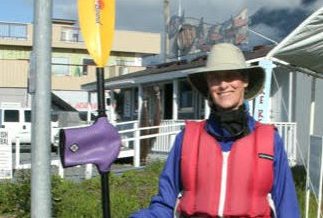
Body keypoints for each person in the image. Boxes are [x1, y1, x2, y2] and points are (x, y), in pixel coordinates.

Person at [130, 43, 300, 218]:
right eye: (215, 78)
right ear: (208, 85)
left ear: (245, 80)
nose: (223, 84)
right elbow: (164, 204)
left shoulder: (269, 139)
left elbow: (287, 206)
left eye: (230, 76)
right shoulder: (187, 138)